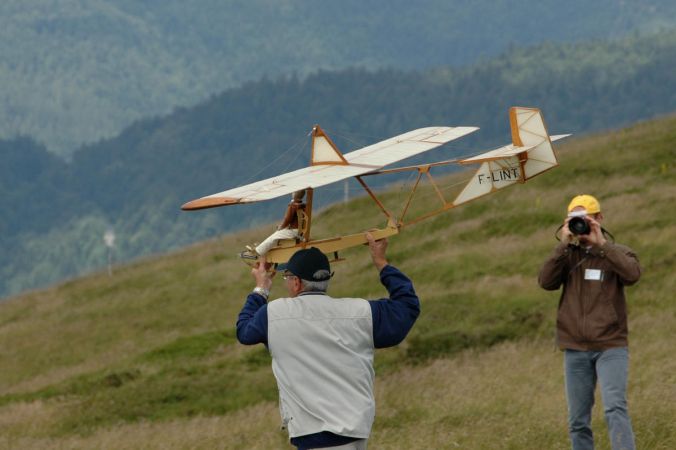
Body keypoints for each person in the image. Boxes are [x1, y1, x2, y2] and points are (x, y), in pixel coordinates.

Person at [237, 233, 420, 449]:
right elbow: (407, 307)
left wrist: (262, 287)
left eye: (287, 277)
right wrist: (381, 262)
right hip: (356, 430)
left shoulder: (274, 314)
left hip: (311, 432)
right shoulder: (361, 312)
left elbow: (244, 332)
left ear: (296, 283)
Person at [538, 194, 641, 450]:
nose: (581, 226)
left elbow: (632, 275)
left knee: (614, 408)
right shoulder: (568, 256)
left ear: (599, 219)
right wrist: (563, 244)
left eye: (585, 220)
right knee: (577, 421)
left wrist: (602, 245)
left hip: (611, 346)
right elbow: (546, 282)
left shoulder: (618, 253)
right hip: (575, 349)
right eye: (575, 221)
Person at [250, 189, 307, 256]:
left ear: (294, 194)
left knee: (274, 236)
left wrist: (281, 227)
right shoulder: (303, 205)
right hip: (299, 231)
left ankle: (257, 251)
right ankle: (262, 247)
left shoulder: (293, 206)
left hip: (294, 232)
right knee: (277, 234)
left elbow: (287, 219)